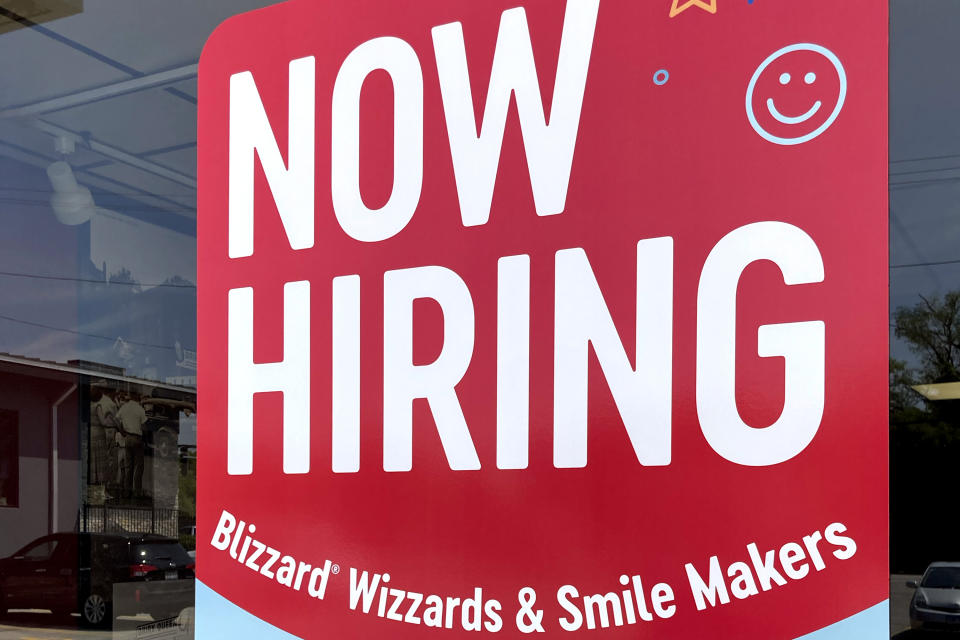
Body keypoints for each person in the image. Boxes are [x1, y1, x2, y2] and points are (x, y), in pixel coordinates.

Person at [117, 391, 148, 498]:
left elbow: (117, 420)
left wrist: (122, 431)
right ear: (137, 396)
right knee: (139, 466)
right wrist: (145, 436)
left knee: (128, 466)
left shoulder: (124, 407)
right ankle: (137, 492)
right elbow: (144, 427)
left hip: (127, 438)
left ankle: (127, 492)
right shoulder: (140, 409)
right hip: (137, 438)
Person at [94, 387, 120, 495]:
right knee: (110, 459)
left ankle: (101, 486)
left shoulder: (99, 401)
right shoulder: (111, 404)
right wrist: (122, 430)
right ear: (112, 392)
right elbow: (116, 419)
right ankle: (107, 485)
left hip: (100, 431)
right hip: (110, 431)